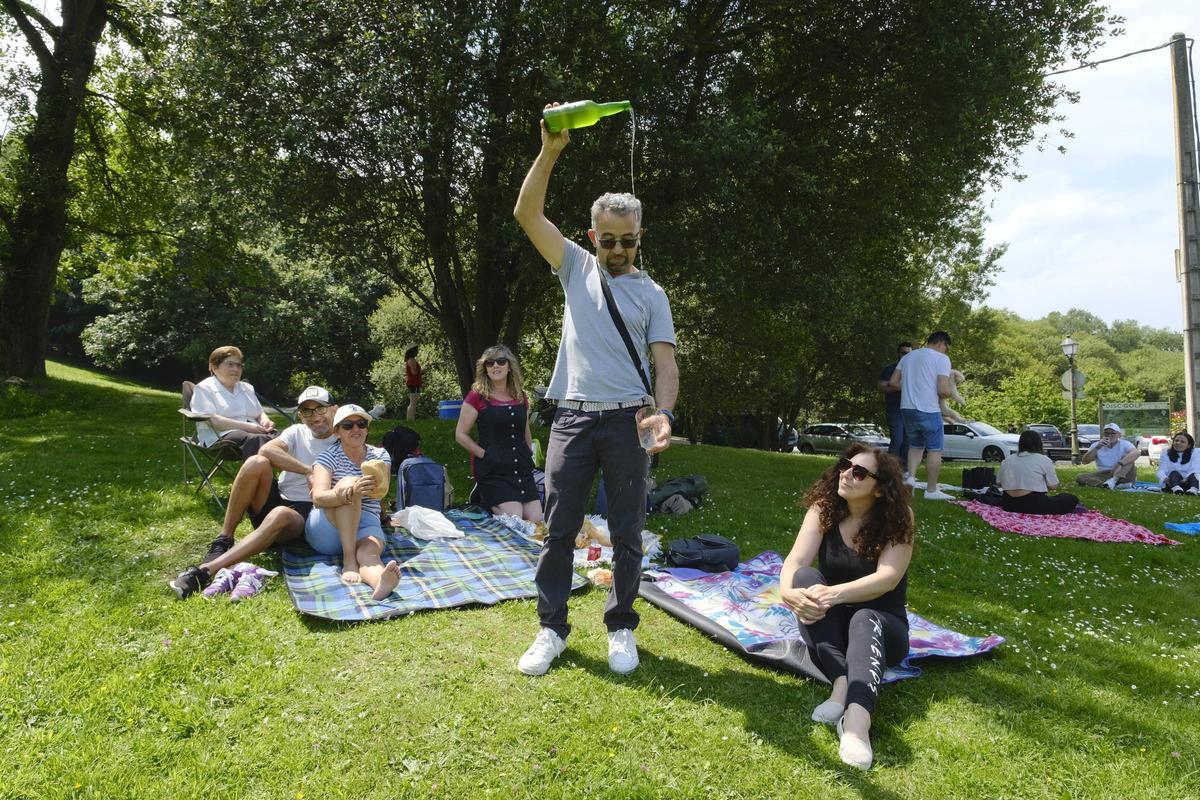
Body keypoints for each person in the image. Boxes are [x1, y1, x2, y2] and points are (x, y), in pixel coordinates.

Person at [512, 103, 679, 676]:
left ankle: (621, 628)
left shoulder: (653, 295)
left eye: (627, 241)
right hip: (574, 419)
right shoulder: (574, 267)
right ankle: (551, 629)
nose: (617, 251)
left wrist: (666, 413)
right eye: (607, 240)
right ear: (592, 236)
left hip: (630, 421)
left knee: (628, 531)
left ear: (640, 239)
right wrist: (551, 149)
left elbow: (665, 364)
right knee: (558, 529)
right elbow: (526, 212)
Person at [779, 445, 914, 771]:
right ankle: (840, 682)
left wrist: (833, 594)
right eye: (845, 466)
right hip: (834, 621)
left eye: (859, 472)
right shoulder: (824, 508)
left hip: (882, 627)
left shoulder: (897, 518)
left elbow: (888, 579)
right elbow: (795, 562)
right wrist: (788, 593)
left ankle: (856, 722)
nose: (846, 474)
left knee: (865, 617)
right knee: (805, 578)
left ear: (880, 488)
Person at [170, 386, 339, 599]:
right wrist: (308, 471)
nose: (315, 416)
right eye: (307, 411)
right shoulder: (297, 431)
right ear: (300, 415)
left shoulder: (346, 435)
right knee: (255, 462)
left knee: (281, 514)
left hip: (309, 514)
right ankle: (224, 539)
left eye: (321, 409)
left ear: (334, 409)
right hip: (281, 498)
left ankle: (205, 571)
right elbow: (267, 450)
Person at [305, 404, 399, 601]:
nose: (356, 429)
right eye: (348, 425)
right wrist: (349, 492)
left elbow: (381, 493)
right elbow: (318, 497)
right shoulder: (327, 457)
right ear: (337, 431)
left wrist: (369, 488)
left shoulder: (380, 456)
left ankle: (380, 582)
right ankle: (349, 560)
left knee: (369, 554)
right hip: (328, 527)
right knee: (349, 483)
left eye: (361, 424)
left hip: (366, 522)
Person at [455, 344, 543, 521]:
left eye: (501, 361)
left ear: (509, 366)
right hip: (493, 469)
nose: (495, 366)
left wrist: (528, 451)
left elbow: (525, 428)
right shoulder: (477, 396)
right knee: (515, 518)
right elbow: (461, 434)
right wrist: (484, 454)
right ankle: (482, 496)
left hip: (521, 469)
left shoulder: (520, 395)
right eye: (490, 363)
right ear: (485, 369)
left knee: (536, 519)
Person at [887, 331, 954, 500]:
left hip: (907, 408)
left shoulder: (908, 357)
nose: (946, 352)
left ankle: (911, 478)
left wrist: (912, 387)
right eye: (947, 348)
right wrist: (949, 394)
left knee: (915, 446)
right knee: (935, 449)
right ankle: (931, 490)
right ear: (942, 344)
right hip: (928, 409)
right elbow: (943, 390)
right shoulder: (942, 359)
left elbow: (893, 382)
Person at [189, 345, 278, 458]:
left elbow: (259, 412)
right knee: (257, 440)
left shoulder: (247, 388)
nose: (236, 369)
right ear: (214, 367)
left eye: (239, 365)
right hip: (220, 437)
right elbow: (213, 421)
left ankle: (297, 474)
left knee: (288, 436)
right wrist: (246, 427)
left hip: (255, 431)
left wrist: (265, 421)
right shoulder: (204, 388)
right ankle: (258, 474)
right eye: (230, 364)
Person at [997, 431, 1081, 514]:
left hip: (1008, 504)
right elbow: (1053, 486)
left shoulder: (1008, 459)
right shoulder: (1043, 460)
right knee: (1070, 499)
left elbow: (999, 482)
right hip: (1034, 505)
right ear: (1039, 444)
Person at [877, 342, 912, 465]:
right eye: (903, 353)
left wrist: (893, 384)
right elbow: (881, 387)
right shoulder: (890, 369)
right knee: (897, 440)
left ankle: (904, 472)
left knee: (908, 443)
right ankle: (890, 470)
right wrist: (899, 387)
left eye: (909, 353)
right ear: (898, 353)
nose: (906, 356)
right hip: (895, 409)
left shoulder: (915, 370)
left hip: (910, 410)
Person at [1076, 422, 1138, 489]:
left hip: (1123, 473)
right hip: (1104, 474)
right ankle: (1109, 485)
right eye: (1107, 433)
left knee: (1129, 459)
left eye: (1112, 433)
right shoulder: (1096, 445)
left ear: (1119, 435)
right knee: (1080, 477)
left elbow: (1136, 453)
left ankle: (1114, 481)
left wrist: (1119, 464)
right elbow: (1085, 461)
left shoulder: (1125, 444)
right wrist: (1097, 448)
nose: (1109, 435)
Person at [404, 345, 422, 421]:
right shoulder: (412, 360)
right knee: (413, 403)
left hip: (412, 383)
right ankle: (411, 420)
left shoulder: (409, 359)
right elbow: (414, 372)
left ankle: (410, 419)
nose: (417, 352)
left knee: (412, 403)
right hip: (414, 383)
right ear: (412, 351)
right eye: (416, 350)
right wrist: (423, 371)